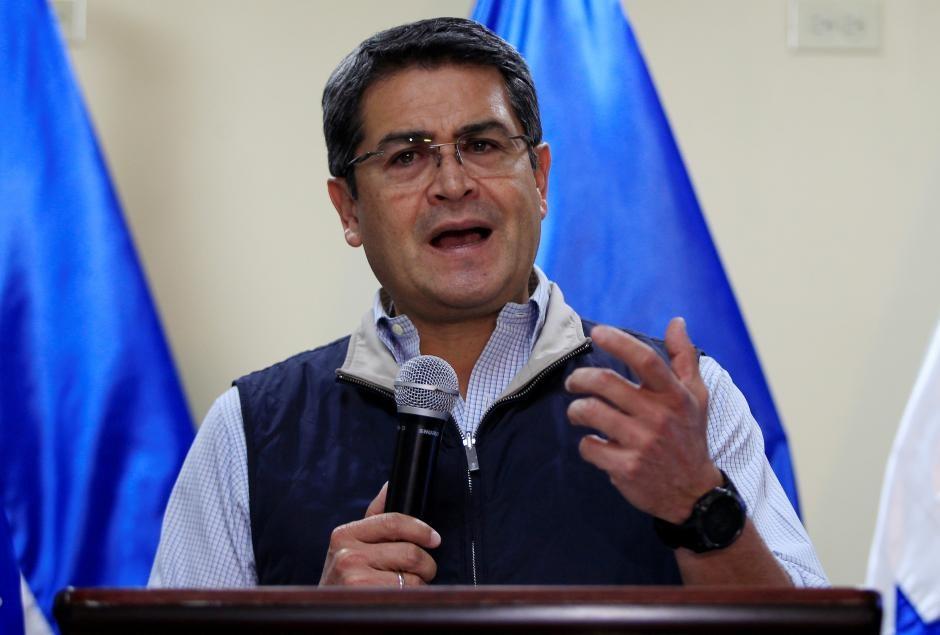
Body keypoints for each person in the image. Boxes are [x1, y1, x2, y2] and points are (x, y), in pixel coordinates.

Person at [149, 17, 827, 588]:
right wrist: (313, 627)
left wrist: (701, 506)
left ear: (540, 180)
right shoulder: (250, 429)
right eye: (407, 156)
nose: (452, 183)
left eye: (482, 145)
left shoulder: (681, 404)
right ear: (348, 208)